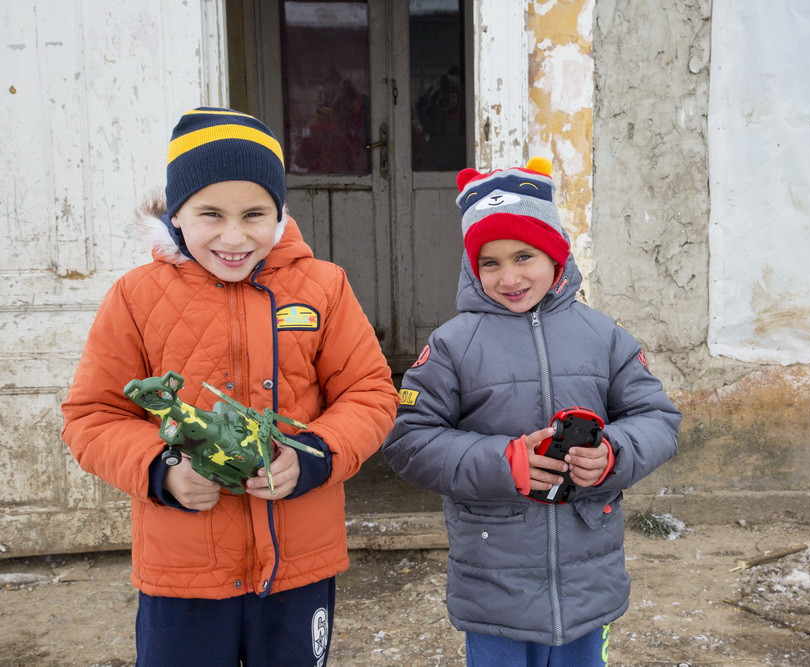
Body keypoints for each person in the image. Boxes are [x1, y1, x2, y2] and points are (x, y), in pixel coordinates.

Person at [61, 107, 398, 666]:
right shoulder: (136, 297)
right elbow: (92, 416)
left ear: (280, 213)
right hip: (183, 571)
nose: (234, 236)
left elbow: (371, 393)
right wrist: (161, 469)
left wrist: (312, 455)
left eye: (254, 214)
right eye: (211, 214)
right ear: (177, 213)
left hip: (297, 563)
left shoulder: (324, 287)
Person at [382, 157, 682, 666]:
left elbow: (658, 420)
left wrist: (612, 453)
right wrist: (504, 462)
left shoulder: (604, 336)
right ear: (472, 267)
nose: (510, 277)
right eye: (490, 262)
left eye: (524, 256)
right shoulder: (452, 345)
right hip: (493, 579)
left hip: (588, 576)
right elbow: (409, 441)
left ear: (555, 253)